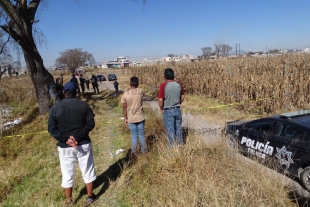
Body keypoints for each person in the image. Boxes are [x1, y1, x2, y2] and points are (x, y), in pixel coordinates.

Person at [48, 82, 97, 205]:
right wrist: (77, 137)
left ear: (64, 92)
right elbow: (90, 124)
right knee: (88, 170)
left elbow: (52, 128)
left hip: (65, 147)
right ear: (76, 92)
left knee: (67, 172)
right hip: (83, 143)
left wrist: (66, 139)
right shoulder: (84, 106)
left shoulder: (55, 108)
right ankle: (90, 197)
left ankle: (69, 200)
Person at [158, 68, 185, 147]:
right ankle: (180, 146)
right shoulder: (178, 84)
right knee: (178, 129)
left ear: (165, 76)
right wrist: (179, 102)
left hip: (168, 110)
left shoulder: (163, 85)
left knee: (170, 130)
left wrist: (161, 108)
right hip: (177, 109)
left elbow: (160, 100)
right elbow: (183, 95)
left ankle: (172, 150)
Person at [121, 76, 147, 156]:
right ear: (138, 83)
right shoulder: (141, 92)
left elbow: (124, 108)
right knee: (141, 135)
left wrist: (126, 118)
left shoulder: (125, 95)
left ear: (130, 83)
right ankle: (144, 152)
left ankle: (134, 152)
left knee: (134, 136)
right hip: (140, 117)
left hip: (131, 118)